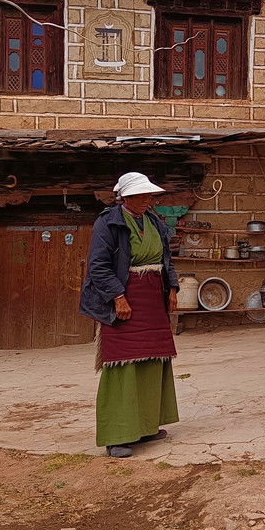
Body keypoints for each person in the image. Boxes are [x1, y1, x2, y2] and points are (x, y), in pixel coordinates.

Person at [79, 172, 180, 458]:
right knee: (121, 363)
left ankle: (146, 426)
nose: (148, 199)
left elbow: (166, 259)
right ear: (126, 197)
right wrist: (118, 297)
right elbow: (98, 266)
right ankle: (117, 435)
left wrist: (172, 288)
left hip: (153, 299)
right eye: (141, 195)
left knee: (153, 361)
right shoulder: (108, 222)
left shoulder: (154, 221)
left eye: (149, 195)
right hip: (125, 298)